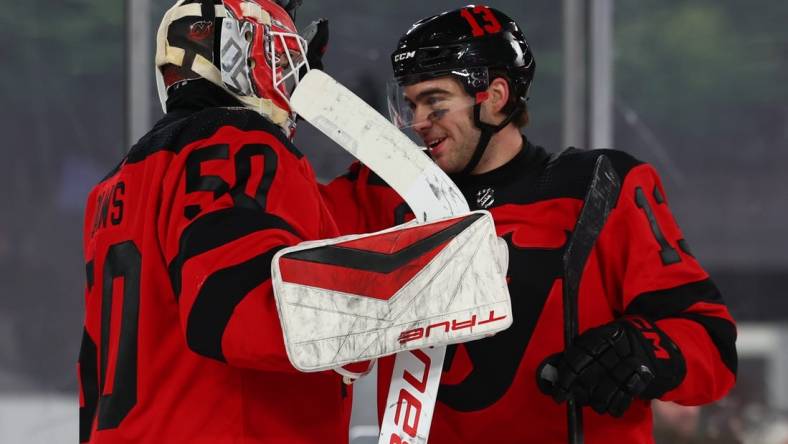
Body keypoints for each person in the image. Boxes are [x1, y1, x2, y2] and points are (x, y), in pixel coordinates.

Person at [327, 5, 738, 443]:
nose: (418, 122)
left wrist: (642, 353)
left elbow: (711, 345)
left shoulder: (599, 186)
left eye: (435, 101)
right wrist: (273, 115)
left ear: (496, 96)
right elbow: (277, 234)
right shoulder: (385, 193)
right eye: (410, 104)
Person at [77, 1, 354, 442]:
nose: (292, 78)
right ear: (233, 53)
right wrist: (374, 308)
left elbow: (93, 369)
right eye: (279, 58)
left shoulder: (114, 183)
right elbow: (240, 311)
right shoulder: (239, 141)